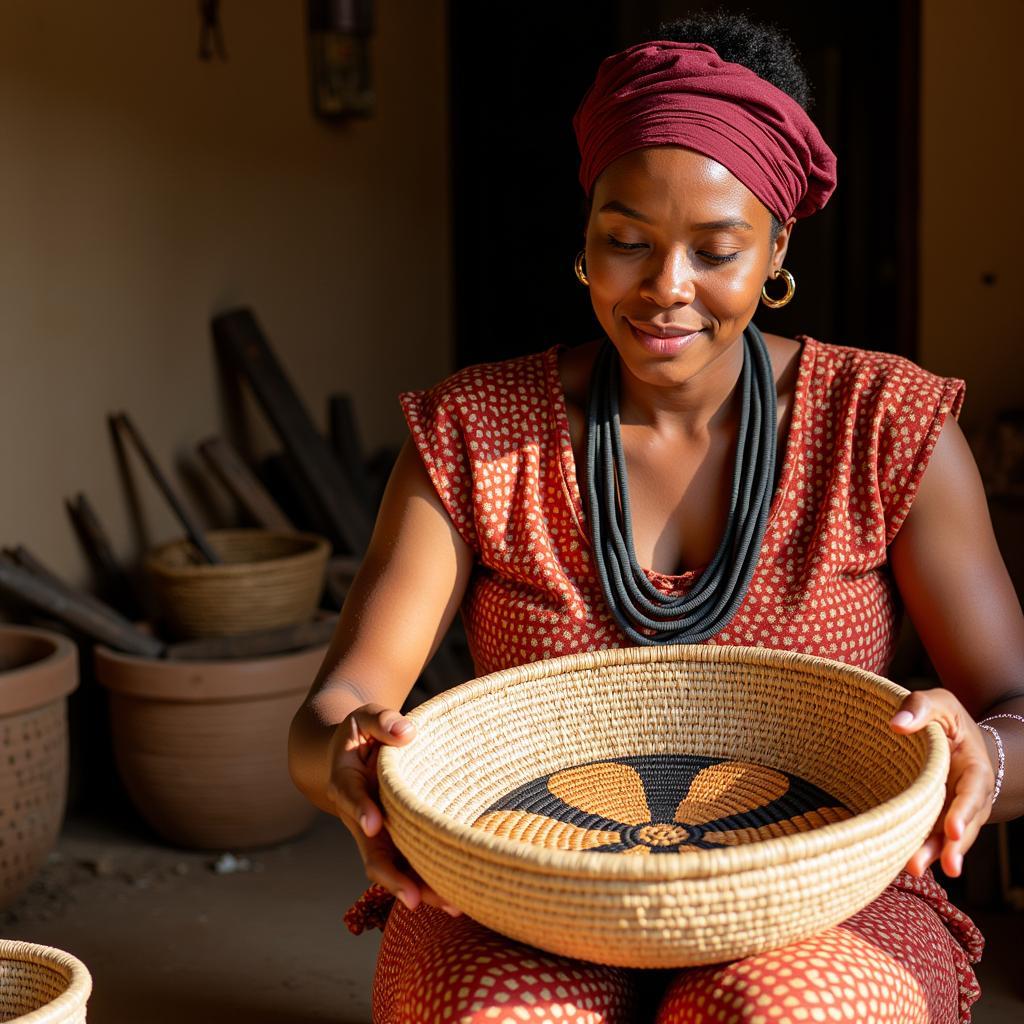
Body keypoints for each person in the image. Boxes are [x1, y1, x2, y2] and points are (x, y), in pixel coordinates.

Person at [288, 12, 1024, 1023]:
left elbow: (1015, 708)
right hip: (523, 888)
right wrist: (347, 760)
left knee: (793, 1012)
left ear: (778, 245)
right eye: (626, 241)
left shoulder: (884, 430)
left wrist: (986, 754)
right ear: (585, 234)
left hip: (819, 897)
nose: (665, 291)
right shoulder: (475, 434)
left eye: (716, 251)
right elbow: (332, 709)